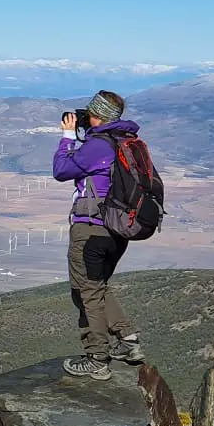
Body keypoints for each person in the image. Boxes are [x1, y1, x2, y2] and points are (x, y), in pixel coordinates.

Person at [53, 90, 145, 380]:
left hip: (91, 227)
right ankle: (128, 340)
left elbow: (61, 170)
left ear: (96, 115)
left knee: (85, 292)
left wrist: (68, 137)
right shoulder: (126, 141)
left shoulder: (98, 145)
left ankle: (97, 358)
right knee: (99, 286)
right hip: (119, 230)